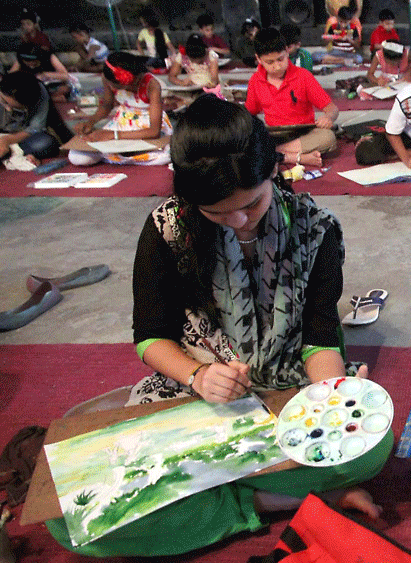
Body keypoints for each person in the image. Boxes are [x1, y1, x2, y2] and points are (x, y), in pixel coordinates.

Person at [45, 96, 391, 557]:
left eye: (251, 205)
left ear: (273, 172)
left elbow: (319, 333)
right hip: (196, 397)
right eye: (216, 213)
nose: (237, 222)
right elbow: (150, 336)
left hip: (286, 392)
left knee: (373, 446)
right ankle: (280, 498)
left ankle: (230, 502)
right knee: (71, 517)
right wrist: (197, 375)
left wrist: (335, 394)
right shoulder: (167, 228)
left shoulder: (315, 228)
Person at [245, 27, 339, 167]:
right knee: (241, 140)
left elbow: (333, 109)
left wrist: (328, 118)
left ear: (287, 51)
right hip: (274, 135)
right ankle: (297, 157)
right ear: (258, 59)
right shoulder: (255, 80)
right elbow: (249, 114)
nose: (276, 66)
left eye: (280, 59)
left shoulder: (303, 76)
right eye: (269, 62)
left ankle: (274, 154)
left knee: (328, 137)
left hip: (304, 134)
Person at [68, 52, 172, 166]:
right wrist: (90, 123)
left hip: (145, 129)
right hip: (121, 123)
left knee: (166, 155)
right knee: (77, 157)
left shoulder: (152, 85)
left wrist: (114, 135)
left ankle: (122, 156)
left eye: (134, 83)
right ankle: (124, 156)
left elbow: (154, 132)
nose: (130, 89)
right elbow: (107, 105)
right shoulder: (107, 77)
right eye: (120, 87)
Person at [0, 71, 73, 166]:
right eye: (4, 101)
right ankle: (12, 154)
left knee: (45, 143)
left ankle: (11, 153)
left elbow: (35, 128)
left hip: (20, 136)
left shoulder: (39, 91)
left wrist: (7, 140)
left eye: (16, 108)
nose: (8, 109)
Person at [10, 43, 78, 103]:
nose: (31, 65)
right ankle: (53, 99)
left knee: (65, 89)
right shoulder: (21, 59)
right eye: (27, 63)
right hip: (32, 88)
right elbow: (9, 78)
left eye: (34, 62)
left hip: (51, 85)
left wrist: (44, 75)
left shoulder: (49, 56)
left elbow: (65, 75)